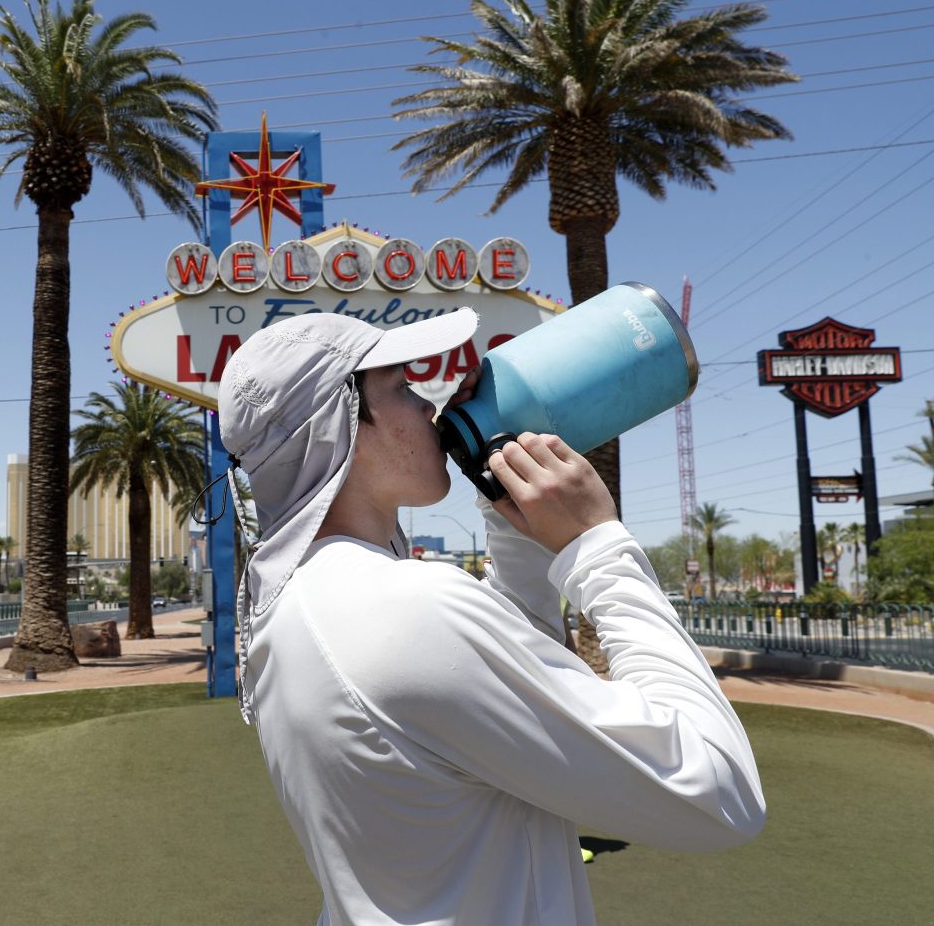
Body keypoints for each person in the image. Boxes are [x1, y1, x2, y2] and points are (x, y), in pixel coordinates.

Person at [216, 312, 765, 926]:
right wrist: (600, 547)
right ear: (338, 427)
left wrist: (507, 513)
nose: (430, 407)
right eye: (401, 388)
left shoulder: (297, 600)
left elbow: (505, 677)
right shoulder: (406, 606)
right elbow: (720, 793)